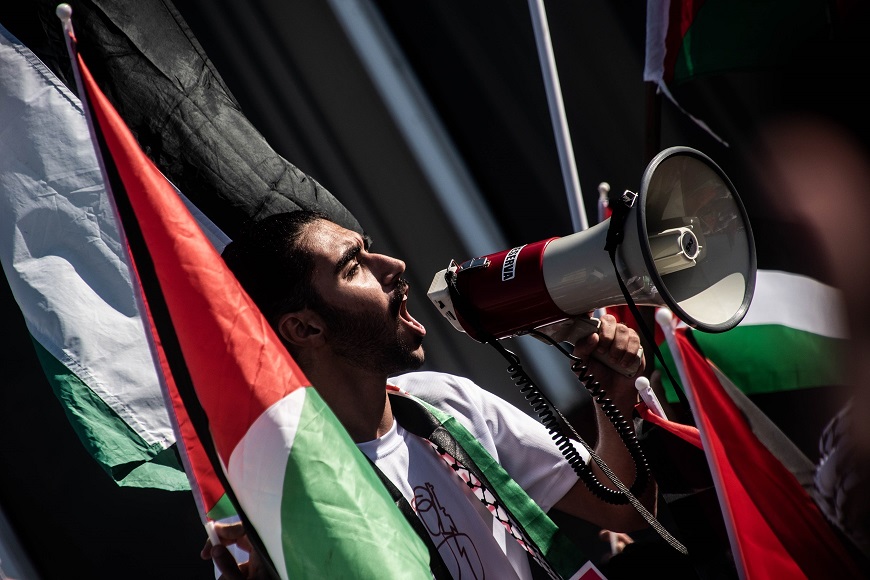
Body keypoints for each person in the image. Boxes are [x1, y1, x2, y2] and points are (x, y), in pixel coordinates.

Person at [201, 210, 656, 579]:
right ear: (304, 327)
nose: (393, 266)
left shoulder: (440, 401)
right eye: (353, 265)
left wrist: (611, 399)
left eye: (369, 249)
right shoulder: (278, 501)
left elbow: (624, 511)